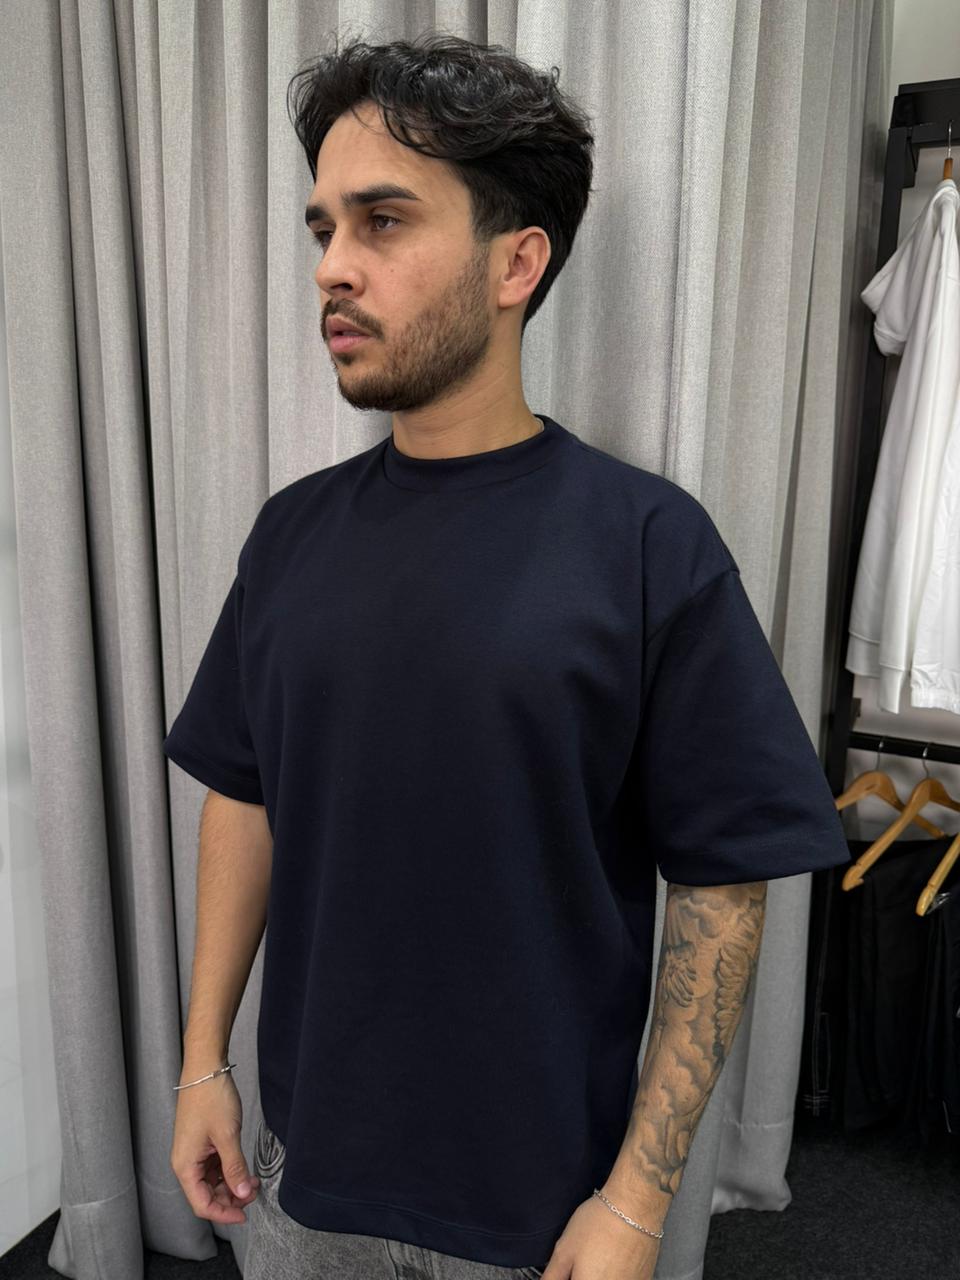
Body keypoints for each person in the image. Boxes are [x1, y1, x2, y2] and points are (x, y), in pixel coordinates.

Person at [164, 29, 852, 1280]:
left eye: (382, 221)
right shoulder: (291, 536)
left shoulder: (648, 544)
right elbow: (243, 793)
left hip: (541, 1209)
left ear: (516, 262)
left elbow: (722, 883)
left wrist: (638, 1197)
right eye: (323, 228)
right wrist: (202, 1057)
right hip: (302, 1184)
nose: (332, 267)